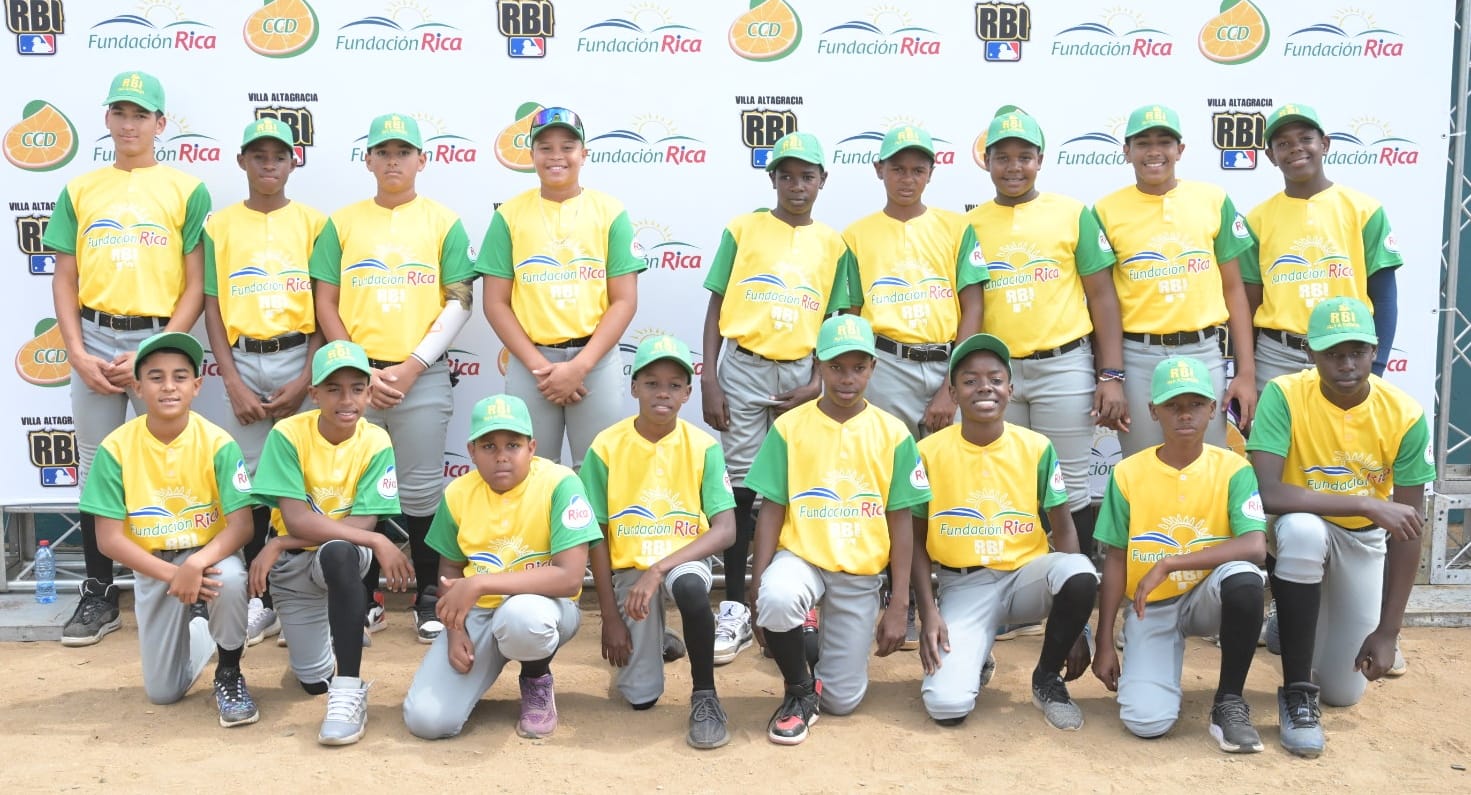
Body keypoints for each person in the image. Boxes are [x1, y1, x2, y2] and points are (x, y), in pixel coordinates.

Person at [43, 71, 211, 646]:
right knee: (96, 468)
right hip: (93, 336)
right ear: (107, 119)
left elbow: (196, 284)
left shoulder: (187, 189)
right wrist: (76, 352)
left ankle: (185, 586)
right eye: (121, 112)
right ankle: (99, 591)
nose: (130, 124)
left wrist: (152, 352)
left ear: (161, 123)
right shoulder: (80, 189)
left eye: (141, 114)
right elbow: (64, 278)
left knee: (174, 463)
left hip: (158, 341)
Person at [310, 112, 476, 643]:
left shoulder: (444, 222)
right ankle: (365, 598)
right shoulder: (341, 223)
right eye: (383, 152)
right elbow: (325, 301)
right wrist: (358, 368)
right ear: (368, 160)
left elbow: (460, 300)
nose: (393, 161)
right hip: (352, 378)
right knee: (354, 490)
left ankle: (428, 594)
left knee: (423, 491)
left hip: (420, 375)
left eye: (403, 152)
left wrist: (412, 366)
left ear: (422, 160)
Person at [1246, 297, 1433, 758]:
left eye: (1357, 352)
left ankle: (1289, 623)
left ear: (1375, 351)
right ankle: (1296, 693)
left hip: (1362, 541)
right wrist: (1367, 502)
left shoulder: (1405, 414)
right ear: (1310, 352)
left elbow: (1408, 529)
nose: (1346, 364)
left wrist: (1388, 631)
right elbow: (1267, 492)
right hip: (1302, 529)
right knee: (1302, 532)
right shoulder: (1285, 394)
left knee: (1343, 692)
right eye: (1333, 353)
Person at [700, 131, 850, 666]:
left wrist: (819, 381)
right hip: (743, 365)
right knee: (741, 491)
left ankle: (791, 602)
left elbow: (837, 320)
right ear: (772, 179)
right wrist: (710, 377)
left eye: (807, 176)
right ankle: (737, 606)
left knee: (799, 484)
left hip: (802, 372)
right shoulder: (743, 229)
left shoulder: (834, 244)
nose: (796, 185)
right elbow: (716, 305)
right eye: (786, 176)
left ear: (823, 180)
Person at [747, 314, 929, 745]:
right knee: (777, 598)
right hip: (802, 557)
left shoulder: (893, 433)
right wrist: (757, 582)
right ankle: (798, 691)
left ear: (873, 368)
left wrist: (899, 602)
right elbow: (772, 508)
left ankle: (808, 634)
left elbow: (901, 521)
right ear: (818, 365)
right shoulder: (790, 427)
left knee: (842, 701)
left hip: (858, 572)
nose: (848, 378)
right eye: (836, 367)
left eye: (858, 367)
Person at [841, 124, 986, 648]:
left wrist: (951, 386)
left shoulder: (956, 227)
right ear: (879, 170)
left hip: (945, 362)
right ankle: (893, 594)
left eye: (918, 169)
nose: (907, 178)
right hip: (885, 361)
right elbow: (850, 312)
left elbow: (973, 306)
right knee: (889, 486)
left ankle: (951, 595)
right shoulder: (855, 235)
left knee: (948, 483)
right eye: (897, 168)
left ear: (931, 172)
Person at [912, 333, 1097, 729]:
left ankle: (1046, 678)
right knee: (946, 706)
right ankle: (975, 653)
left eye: (995, 379)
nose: (985, 388)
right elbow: (914, 540)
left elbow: (1064, 529)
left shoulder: (1036, 447)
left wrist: (1079, 626)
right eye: (970, 380)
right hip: (964, 585)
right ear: (952, 393)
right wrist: (928, 612)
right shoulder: (928, 452)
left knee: (1079, 572)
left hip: (1025, 578)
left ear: (1010, 390)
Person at [966, 107, 1125, 568]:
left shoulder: (1073, 214)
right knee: (1009, 483)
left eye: (1024, 156)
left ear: (1041, 159)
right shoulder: (969, 225)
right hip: (997, 374)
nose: (1013, 167)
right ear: (986, 161)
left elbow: (1102, 297)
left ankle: (1075, 584)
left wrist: (1110, 374)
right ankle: (1018, 587)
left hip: (1063, 365)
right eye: (1002, 157)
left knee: (1070, 487)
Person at [1091, 356, 1268, 753]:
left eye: (1196, 404)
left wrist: (1171, 562)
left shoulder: (1234, 468)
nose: (1185, 414)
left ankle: (1229, 702)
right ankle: (1143, 656)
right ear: (1153, 411)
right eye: (1173, 405)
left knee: (1244, 578)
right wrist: (1104, 642)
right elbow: (1115, 559)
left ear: (1213, 408)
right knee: (1146, 721)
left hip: (1208, 597)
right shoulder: (1128, 473)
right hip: (1150, 606)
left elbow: (1255, 546)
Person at [401, 394, 603, 740]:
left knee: (522, 617)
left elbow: (570, 578)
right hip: (478, 615)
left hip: (544, 609)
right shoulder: (458, 493)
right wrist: (455, 632)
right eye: (488, 446)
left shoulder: (559, 482)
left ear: (531, 448)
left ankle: (536, 678)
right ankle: (473, 680)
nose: (501, 456)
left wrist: (481, 584)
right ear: (471, 451)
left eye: (513, 444)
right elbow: (450, 570)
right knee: (427, 721)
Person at [81, 331, 257, 727]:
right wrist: (173, 574)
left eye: (180, 376)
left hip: (207, 556)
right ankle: (202, 631)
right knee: (163, 693)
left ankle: (229, 670)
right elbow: (108, 539)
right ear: (137, 387)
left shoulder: (218, 442)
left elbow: (241, 526)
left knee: (229, 579)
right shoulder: (115, 448)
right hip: (154, 564)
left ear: (197, 386)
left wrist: (195, 565)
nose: (168, 386)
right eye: (156, 377)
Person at [203, 117, 327, 647]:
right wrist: (231, 380)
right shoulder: (220, 226)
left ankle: (310, 597)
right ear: (242, 162)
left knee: (307, 480)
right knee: (251, 487)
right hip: (243, 359)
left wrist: (306, 379)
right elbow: (212, 307)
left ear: (294, 162)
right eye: (259, 155)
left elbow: (325, 306)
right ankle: (263, 599)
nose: (269, 164)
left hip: (299, 356)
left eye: (279, 156)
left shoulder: (315, 223)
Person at [247, 340, 406, 745]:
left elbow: (362, 522)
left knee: (339, 552)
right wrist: (375, 539)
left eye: (357, 388)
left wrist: (282, 542)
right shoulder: (287, 434)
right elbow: (297, 518)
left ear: (369, 394)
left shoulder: (376, 440)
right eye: (333, 389)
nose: (346, 400)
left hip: (339, 558)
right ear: (314, 394)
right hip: (294, 565)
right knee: (313, 682)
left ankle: (349, 687)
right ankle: (339, 625)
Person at [583, 335, 738, 749]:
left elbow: (726, 529)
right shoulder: (606, 446)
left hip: (680, 562)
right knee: (641, 698)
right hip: (631, 573)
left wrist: (659, 569)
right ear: (634, 387)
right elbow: (595, 535)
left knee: (689, 588)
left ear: (688, 393)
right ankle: (655, 637)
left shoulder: (703, 446)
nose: (663, 393)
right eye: (651, 383)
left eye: (674, 385)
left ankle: (705, 696)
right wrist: (609, 618)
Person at [478, 106, 645, 470]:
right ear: (531, 154)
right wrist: (541, 368)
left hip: (595, 361)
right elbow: (495, 303)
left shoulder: (610, 212)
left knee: (598, 469)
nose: (556, 156)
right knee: (532, 470)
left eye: (567, 147)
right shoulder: (508, 216)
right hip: (531, 363)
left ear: (584, 154)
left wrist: (580, 367)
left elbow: (624, 300)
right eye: (545, 147)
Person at [1092, 104, 1257, 459]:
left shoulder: (1212, 199)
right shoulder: (1105, 210)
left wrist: (1246, 372)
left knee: (1207, 463)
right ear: (1126, 151)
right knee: (1141, 464)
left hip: (1204, 352)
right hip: (1137, 357)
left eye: (1164, 142)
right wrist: (1110, 376)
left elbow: (1233, 290)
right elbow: (1102, 301)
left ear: (1180, 150)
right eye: (1143, 143)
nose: (1154, 151)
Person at [1240, 103, 1402, 389]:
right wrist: (1247, 371)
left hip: (1346, 353)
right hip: (1276, 357)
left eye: (1305, 138)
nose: (1296, 148)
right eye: (1283, 143)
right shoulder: (1256, 219)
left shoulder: (1365, 210)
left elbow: (1385, 298)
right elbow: (1250, 303)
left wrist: (1376, 369)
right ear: (1271, 156)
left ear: (1325, 144)